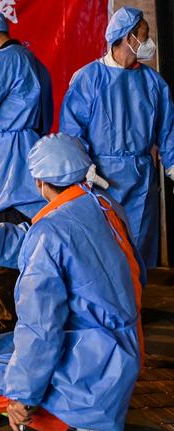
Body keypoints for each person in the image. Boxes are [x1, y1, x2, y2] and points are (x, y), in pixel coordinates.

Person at [0, 133, 143, 431]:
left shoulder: (50, 230)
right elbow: (33, 243)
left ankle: (77, 423)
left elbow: (40, 327)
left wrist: (22, 396)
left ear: (39, 182)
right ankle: (90, 411)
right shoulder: (106, 206)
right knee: (4, 350)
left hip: (92, 360)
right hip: (122, 347)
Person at [0, 9, 54, 347]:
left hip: (5, 163)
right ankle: (27, 317)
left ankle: (14, 321)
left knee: (0, 239)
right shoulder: (32, 60)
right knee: (28, 238)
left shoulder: (2, 60)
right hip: (29, 154)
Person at [60, 7, 174, 269]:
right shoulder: (88, 79)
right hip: (99, 178)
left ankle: (136, 306)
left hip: (141, 178)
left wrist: (172, 164)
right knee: (104, 250)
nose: (148, 43)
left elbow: (168, 128)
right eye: (143, 36)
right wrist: (83, 168)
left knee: (139, 248)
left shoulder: (153, 82)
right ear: (127, 36)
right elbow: (72, 131)